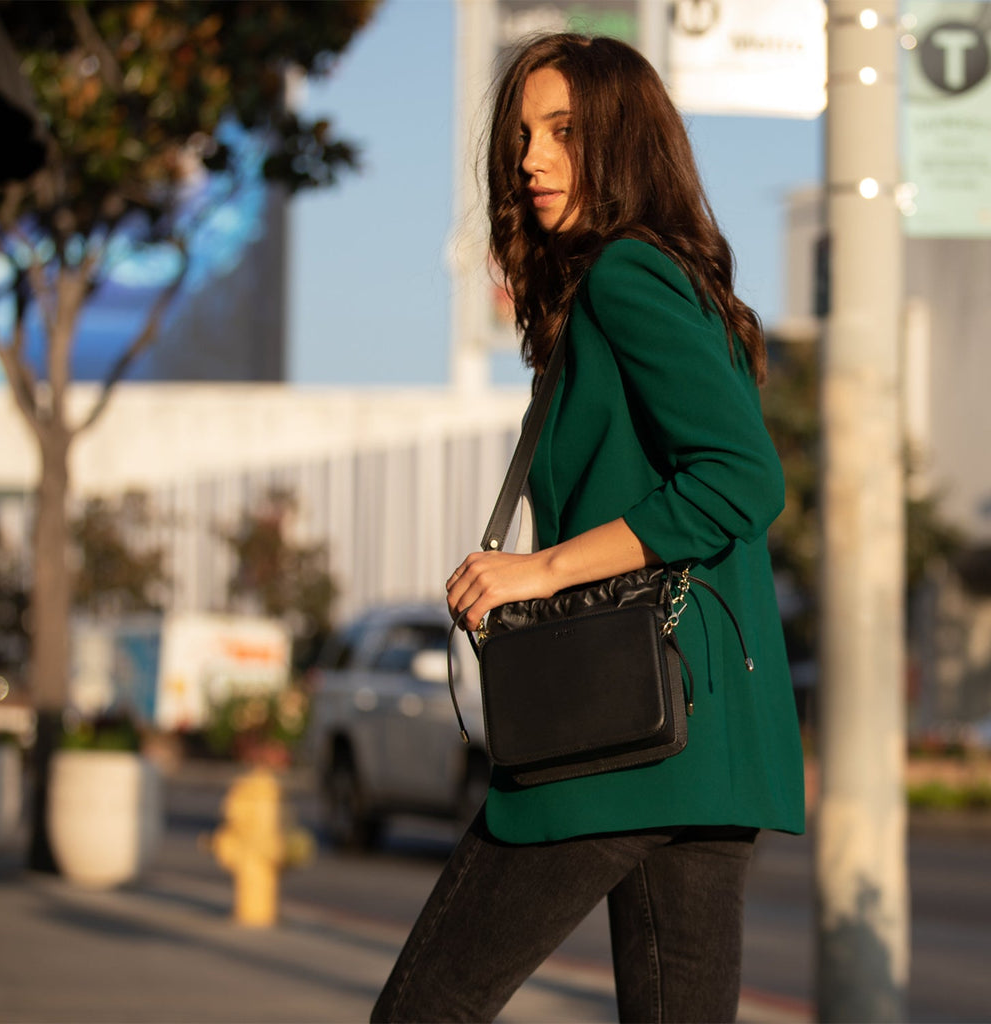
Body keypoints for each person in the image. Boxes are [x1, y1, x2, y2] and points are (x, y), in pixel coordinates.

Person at [372, 33, 804, 1024]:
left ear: (623, 142)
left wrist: (539, 570)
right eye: (521, 136)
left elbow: (741, 478)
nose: (530, 159)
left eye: (564, 132)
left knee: (422, 1010)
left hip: (610, 735)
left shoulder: (624, 278)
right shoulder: (669, 282)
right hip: (701, 751)